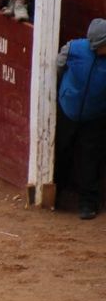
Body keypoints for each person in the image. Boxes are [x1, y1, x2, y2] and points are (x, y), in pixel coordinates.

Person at [55, 18, 106, 220]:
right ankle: (57, 191)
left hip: (95, 116)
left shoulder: (74, 48)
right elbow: (58, 68)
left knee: (90, 159)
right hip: (68, 110)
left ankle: (88, 202)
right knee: (62, 151)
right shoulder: (73, 49)